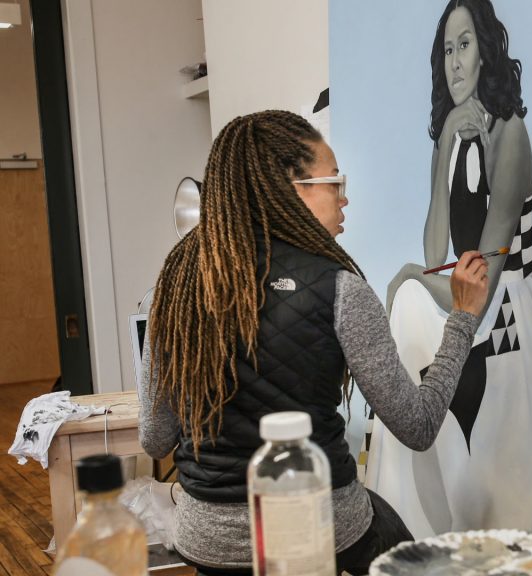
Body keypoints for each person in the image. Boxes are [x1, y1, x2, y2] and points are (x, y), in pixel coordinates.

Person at [137, 110, 489, 575]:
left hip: (209, 545)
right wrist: (463, 317)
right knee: (402, 544)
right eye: (335, 182)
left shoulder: (177, 283)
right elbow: (418, 426)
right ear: (290, 186)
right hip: (319, 536)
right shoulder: (338, 287)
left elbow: (154, 437)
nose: (346, 199)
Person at [371, 0, 532, 538]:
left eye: (465, 45)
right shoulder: (450, 139)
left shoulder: (511, 135)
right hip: (465, 307)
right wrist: (442, 152)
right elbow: (437, 247)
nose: (455, 62)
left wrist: (415, 277)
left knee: (508, 495)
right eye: (446, 50)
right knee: (410, 312)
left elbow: (481, 281)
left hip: (508, 317)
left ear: (486, 53)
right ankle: (418, 538)